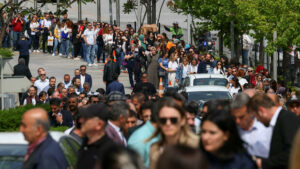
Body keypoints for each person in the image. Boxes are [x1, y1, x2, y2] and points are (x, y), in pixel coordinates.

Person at [248, 93, 300, 169]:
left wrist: (264, 163)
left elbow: (292, 153)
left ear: (261, 111)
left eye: (256, 117)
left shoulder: (287, 119)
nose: (258, 121)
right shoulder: (278, 121)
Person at [149, 97, 199, 169]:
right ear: (159, 123)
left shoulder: (195, 145)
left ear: (182, 121)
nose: (168, 123)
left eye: (173, 120)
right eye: (163, 120)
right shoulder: (154, 149)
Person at [231, 93, 272, 158]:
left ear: (251, 111)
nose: (237, 121)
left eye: (241, 117)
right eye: (234, 117)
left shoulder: (266, 128)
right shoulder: (231, 130)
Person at [76, 103, 114, 169]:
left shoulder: (110, 152)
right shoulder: (85, 144)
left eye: (86, 118)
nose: (80, 120)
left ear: (99, 124)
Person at [128, 101, 159, 168]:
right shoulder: (136, 135)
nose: (149, 119)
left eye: (151, 116)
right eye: (146, 116)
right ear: (141, 116)